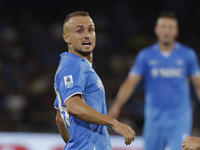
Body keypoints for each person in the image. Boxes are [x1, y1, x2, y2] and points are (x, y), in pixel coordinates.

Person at [108, 11, 200, 150]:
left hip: (179, 120)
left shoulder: (188, 55)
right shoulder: (145, 56)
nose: (166, 31)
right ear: (156, 30)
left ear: (176, 31)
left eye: (170, 27)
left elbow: (198, 85)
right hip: (153, 120)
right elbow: (130, 83)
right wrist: (116, 105)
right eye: (163, 27)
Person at [53, 11, 135, 150]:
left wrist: (76, 145)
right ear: (67, 38)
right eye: (79, 30)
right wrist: (114, 123)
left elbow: (60, 120)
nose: (87, 35)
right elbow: (73, 106)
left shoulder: (79, 66)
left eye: (91, 30)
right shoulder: (73, 64)